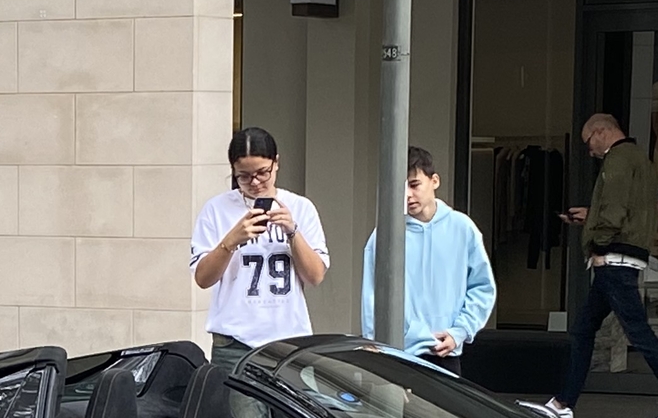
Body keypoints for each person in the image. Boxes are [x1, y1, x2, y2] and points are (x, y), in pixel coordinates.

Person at [525, 113, 658, 418]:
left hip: (614, 259)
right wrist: (591, 217)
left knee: (638, 333)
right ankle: (563, 405)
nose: (589, 151)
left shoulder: (617, 159)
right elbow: (630, 209)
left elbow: (616, 211)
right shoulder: (640, 160)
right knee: (584, 330)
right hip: (624, 256)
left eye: (588, 142)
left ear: (601, 132)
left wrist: (597, 243)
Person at [191, 126, 328, 369]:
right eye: (243, 176)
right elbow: (203, 278)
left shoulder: (300, 207)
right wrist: (230, 241)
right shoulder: (216, 209)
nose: (254, 182)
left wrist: (292, 231)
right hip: (235, 342)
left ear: (276, 163)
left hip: (290, 342)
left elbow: (315, 276)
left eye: (262, 173)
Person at [358, 145, 494, 373]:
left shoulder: (463, 228)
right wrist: (374, 341)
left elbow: (482, 287)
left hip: (446, 352)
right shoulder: (385, 233)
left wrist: (459, 331)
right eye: (401, 188)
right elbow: (372, 294)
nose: (408, 195)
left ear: (435, 181)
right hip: (398, 353)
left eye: (414, 185)